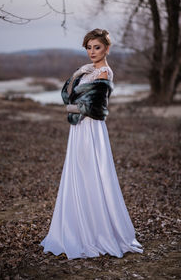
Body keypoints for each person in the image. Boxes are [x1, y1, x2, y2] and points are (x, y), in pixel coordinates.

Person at [39, 28, 143, 260]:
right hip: (78, 129)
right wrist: (76, 76)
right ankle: (76, 227)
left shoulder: (104, 73)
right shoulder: (88, 71)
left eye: (97, 47)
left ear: (107, 48)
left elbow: (92, 108)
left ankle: (97, 231)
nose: (92, 52)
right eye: (89, 47)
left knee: (92, 173)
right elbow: (67, 96)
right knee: (78, 173)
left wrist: (72, 104)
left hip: (91, 129)